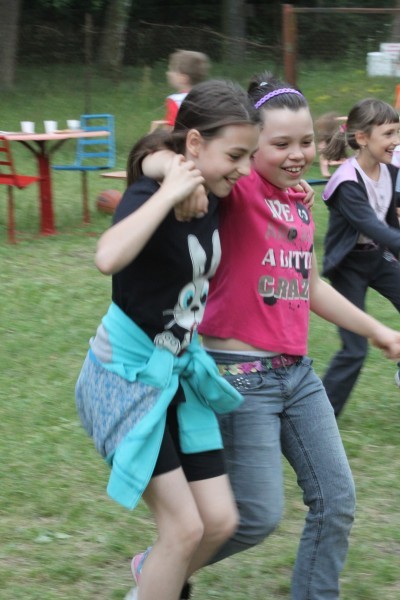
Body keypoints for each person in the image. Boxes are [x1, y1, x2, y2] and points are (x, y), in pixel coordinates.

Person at [139, 73, 400, 600]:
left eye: (305, 142)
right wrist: (170, 172)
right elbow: (157, 153)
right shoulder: (234, 190)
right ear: (249, 145)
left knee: (337, 501)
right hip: (241, 378)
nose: (296, 154)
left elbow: (310, 285)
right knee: (255, 517)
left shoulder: (299, 201)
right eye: (279, 144)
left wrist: (378, 329)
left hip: (297, 375)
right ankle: (158, 569)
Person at [74, 79, 261, 600]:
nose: (245, 169)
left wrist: (177, 169)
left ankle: (151, 577)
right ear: (196, 144)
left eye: (249, 155)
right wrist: (168, 190)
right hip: (124, 378)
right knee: (184, 530)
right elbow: (107, 258)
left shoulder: (215, 187)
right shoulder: (154, 193)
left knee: (219, 522)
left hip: (176, 376)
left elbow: (154, 150)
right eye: (236, 156)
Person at [321, 97, 400, 417]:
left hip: (378, 258)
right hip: (348, 266)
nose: (396, 141)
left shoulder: (390, 171)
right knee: (354, 350)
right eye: (389, 134)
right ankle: (321, 416)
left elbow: (390, 224)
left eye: (398, 133)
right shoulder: (347, 182)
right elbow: (371, 225)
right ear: (362, 138)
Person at [150, 49, 210, 132]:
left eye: (172, 70)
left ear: (183, 78)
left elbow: (170, 129)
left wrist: (154, 135)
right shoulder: (208, 96)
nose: (168, 73)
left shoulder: (176, 100)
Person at [315, 111, 348, 178]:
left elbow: (350, 119)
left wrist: (337, 119)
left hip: (339, 150)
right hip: (331, 152)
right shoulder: (324, 139)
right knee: (323, 153)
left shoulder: (341, 130)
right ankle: (326, 171)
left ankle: (331, 166)